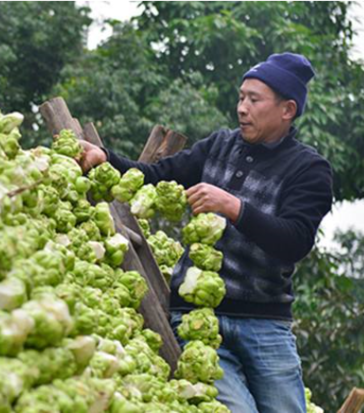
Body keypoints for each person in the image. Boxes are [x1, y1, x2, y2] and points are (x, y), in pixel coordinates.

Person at [77, 52, 333, 412]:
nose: (242, 108)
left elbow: (294, 241)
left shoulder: (309, 169)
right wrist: (106, 158)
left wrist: (234, 208)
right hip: (198, 315)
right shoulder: (219, 146)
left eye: (254, 100)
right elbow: (155, 175)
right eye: (241, 97)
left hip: (264, 320)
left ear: (287, 110)